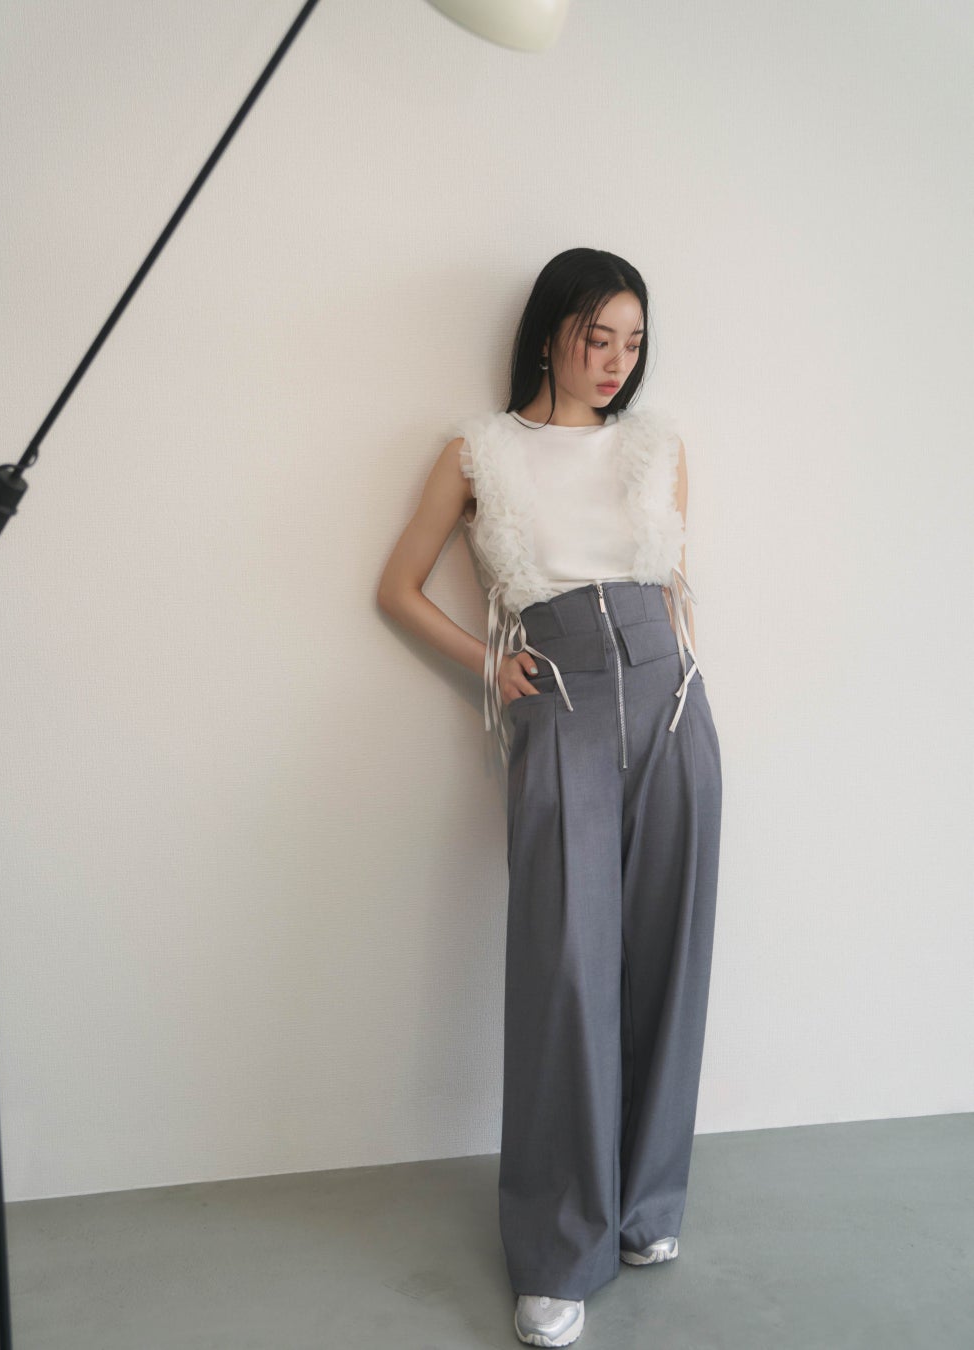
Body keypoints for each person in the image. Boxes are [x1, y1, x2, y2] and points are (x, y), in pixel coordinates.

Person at [376, 248, 723, 1348]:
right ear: (549, 333)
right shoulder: (478, 452)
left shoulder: (655, 446)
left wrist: (676, 671)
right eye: (595, 336)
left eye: (631, 341)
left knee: (668, 958)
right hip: (559, 701)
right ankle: (558, 1249)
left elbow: (672, 585)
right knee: (565, 975)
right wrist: (490, 663)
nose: (615, 361)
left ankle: (644, 1205)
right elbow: (395, 587)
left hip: (670, 703)